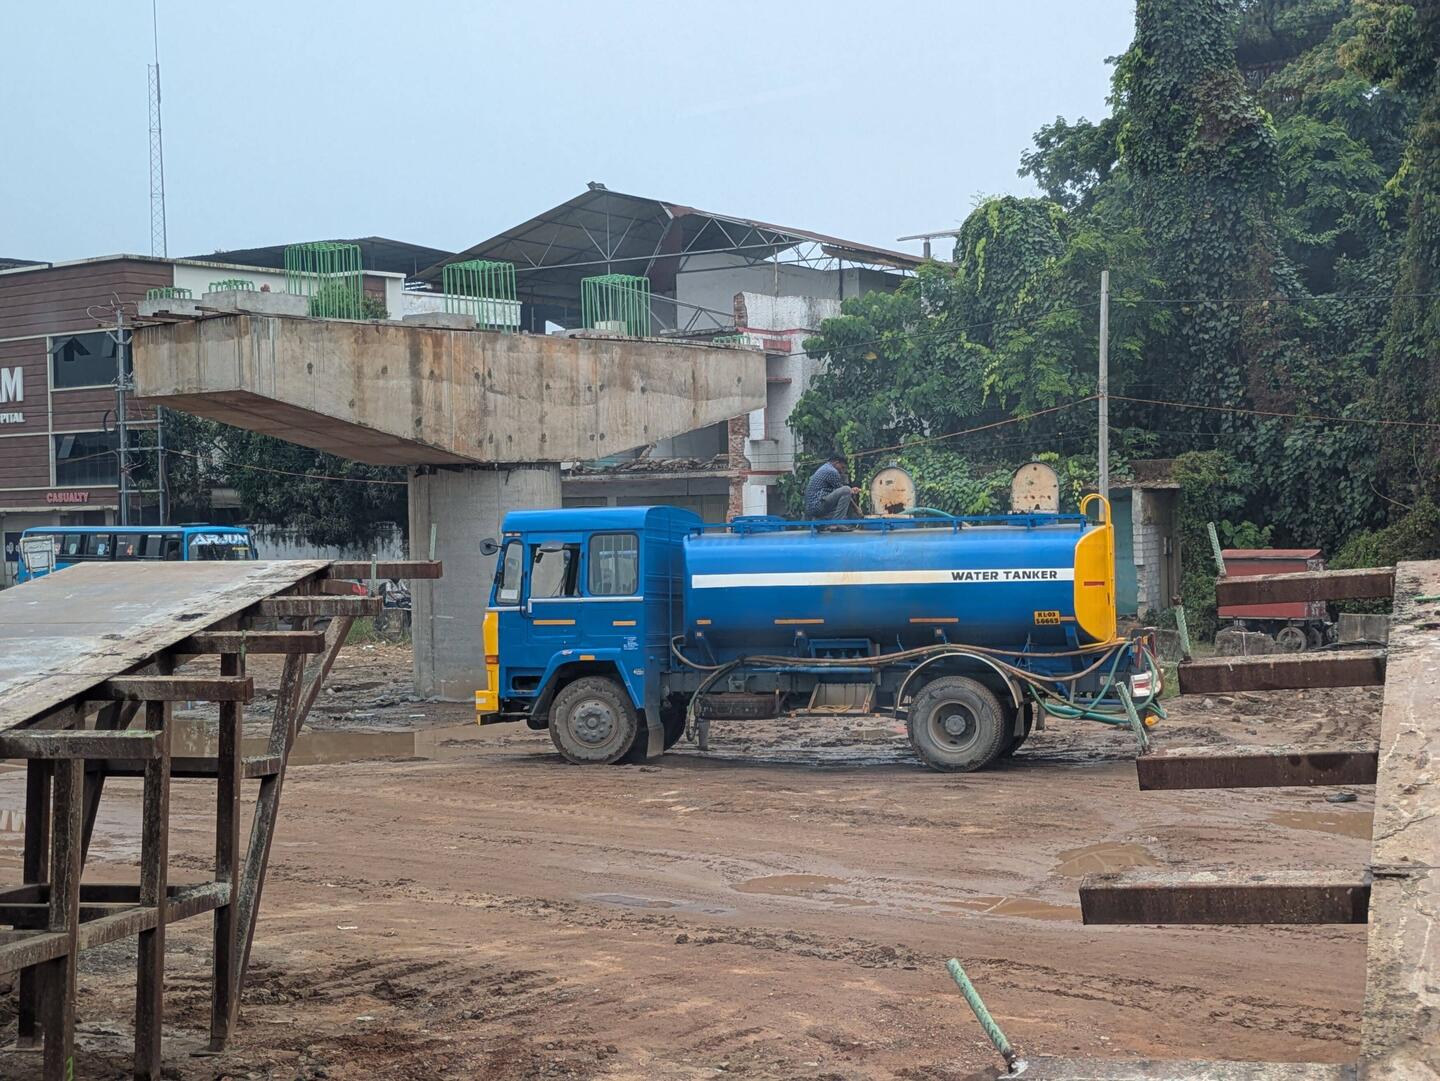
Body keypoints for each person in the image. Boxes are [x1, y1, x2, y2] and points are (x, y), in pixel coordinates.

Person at [803, 452, 861, 520]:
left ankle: (823, 520)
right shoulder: (832, 471)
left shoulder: (825, 467)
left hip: (812, 506)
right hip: (817, 505)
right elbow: (844, 492)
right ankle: (837, 522)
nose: (842, 471)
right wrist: (857, 509)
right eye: (842, 467)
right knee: (846, 490)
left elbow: (837, 491)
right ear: (836, 463)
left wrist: (851, 491)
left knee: (847, 491)